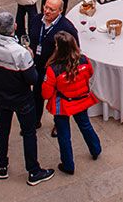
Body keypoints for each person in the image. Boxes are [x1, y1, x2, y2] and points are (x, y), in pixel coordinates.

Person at [0, 10, 54, 186]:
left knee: (3, 130)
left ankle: (2, 165)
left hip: (0, 96)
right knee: (29, 133)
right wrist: (30, 58)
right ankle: (33, 171)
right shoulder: (20, 52)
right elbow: (33, 79)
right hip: (22, 99)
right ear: (14, 27)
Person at [41, 32, 102, 174]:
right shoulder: (84, 60)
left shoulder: (53, 69)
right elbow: (90, 74)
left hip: (62, 104)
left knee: (64, 135)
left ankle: (68, 165)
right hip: (81, 100)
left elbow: (46, 94)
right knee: (85, 125)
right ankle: (95, 149)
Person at [28, 0, 79, 126]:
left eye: (52, 9)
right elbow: (32, 39)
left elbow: (75, 50)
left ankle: (58, 125)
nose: (47, 11)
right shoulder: (36, 20)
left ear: (60, 11)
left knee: (57, 99)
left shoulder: (67, 28)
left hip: (56, 71)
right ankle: (35, 121)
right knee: (37, 95)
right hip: (38, 67)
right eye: (46, 7)